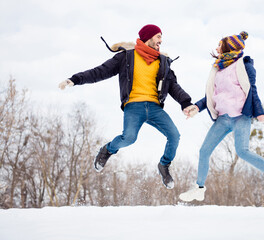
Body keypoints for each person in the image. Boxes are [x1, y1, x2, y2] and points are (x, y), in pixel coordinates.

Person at [59, 24, 195, 189]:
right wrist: (75, 79)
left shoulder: (163, 62)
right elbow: (100, 71)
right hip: (134, 106)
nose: (161, 40)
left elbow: (173, 86)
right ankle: (108, 150)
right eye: (158, 36)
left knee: (174, 135)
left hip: (154, 108)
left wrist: (186, 103)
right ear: (148, 37)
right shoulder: (127, 57)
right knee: (129, 138)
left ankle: (164, 165)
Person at [179, 32, 264, 201]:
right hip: (223, 119)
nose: (217, 47)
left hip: (241, 116)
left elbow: (252, 90)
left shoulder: (244, 66)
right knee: (204, 151)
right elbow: (211, 95)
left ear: (229, 47)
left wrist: (261, 114)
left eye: (220, 44)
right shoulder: (217, 68)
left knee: (242, 151)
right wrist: (196, 107)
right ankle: (199, 188)